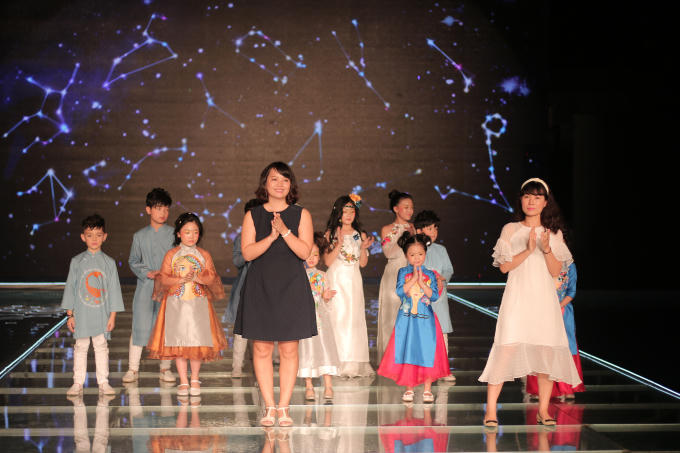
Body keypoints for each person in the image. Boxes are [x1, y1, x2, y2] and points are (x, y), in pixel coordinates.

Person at [479, 178, 581, 427]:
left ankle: (543, 410)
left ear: (546, 202)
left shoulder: (553, 233)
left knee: (545, 352)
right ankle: (490, 410)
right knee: (505, 349)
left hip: (544, 301)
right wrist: (527, 249)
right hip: (517, 298)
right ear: (521, 200)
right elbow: (504, 267)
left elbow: (556, 271)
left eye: (537, 197)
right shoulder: (511, 229)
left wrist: (546, 249)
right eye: (527, 196)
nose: (531, 202)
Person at [234, 161, 316, 427]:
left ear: (291, 185)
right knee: (261, 348)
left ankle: (284, 408)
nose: (280, 184)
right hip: (261, 286)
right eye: (274, 179)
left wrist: (285, 232)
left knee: (290, 349)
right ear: (265, 184)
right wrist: (270, 237)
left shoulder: (301, 214)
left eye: (285, 179)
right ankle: (269, 407)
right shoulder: (253, 215)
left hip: (292, 286)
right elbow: (247, 254)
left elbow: (304, 252)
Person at [147, 212, 228, 397]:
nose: (192, 236)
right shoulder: (171, 254)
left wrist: (198, 277)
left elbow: (212, 277)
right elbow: (163, 278)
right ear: (178, 234)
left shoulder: (204, 254)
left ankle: (195, 379)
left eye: (195, 232)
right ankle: (184, 381)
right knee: (179, 343)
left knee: (196, 343)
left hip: (198, 304)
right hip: (176, 304)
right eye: (187, 232)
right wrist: (180, 279)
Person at [377, 232, 449, 402]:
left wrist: (422, 282)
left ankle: (427, 389)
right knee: (408, 350)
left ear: (425, 254)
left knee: (427, 350)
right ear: (406, 255)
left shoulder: (430, 274)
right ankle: (409, 388)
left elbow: (434, 296)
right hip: (407, 319)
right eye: (412, 254)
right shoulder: (403, 271)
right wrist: (414, 278)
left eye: (420, 254)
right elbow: (400, 291)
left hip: (426, 320)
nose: (417, 258)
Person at [62, 214, 125, 396]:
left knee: (101, 346)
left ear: (105, 236)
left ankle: (103, 382)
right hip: (81, 314)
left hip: (101, 314)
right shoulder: (76, 261)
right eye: (90, 235)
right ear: (83, 237)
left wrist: (112, 316)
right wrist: (70, 314)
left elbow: (114, 290)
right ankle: (77, 383)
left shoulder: (109, 263)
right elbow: (71, 287)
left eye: (98, 235)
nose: (94, 239)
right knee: (81, 347)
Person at [123, 188, 176, 384]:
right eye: (158, 208)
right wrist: (147, 272)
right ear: (148, 210)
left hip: (167, 288)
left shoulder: (174, 234)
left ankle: (165, 368)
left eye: (166, 209)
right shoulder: (139, 236)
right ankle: (133, 369)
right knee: (140, 325)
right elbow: (133, 260)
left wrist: (167, 274)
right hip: (145, 287)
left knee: (166, 327)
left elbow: (178, 259)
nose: (163, 213)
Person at [324, 194, 375, 377]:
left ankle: (353, 363)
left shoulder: (359, 234)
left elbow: (362, 264)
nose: (348, 215)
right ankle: (336, 361)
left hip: (353, 280)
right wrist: (338, 244)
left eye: (351, 211)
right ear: (338, 213)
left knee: (354, 319)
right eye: (345, 211)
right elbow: (328, 261)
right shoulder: (330, 233)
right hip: (336, 278)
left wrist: (363, 249)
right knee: (338, 317)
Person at [526, 261, 585, 399]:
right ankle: (539, 389)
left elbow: (571, 291)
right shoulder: (540, 262)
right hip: (541, 311)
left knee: (565, 346)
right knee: (541, 348)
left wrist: (558, 306)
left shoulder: (569, 265)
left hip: (562, 311)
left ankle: (567, 387)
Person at [414, 210, 456, 382]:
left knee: (442, 333)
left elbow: (448, 269)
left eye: (435, 228)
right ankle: (421, 369)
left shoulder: (441, 249)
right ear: (419, 230)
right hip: (420, 297)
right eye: (429, 228)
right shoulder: (414, 249)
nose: (433, 232)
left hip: (439, 297)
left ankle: (443, 370)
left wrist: (441, 278)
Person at [224, 198, 264, 378]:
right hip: (245, 285)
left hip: (264, 285)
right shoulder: (241, 237)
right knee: (241, 328)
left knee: (265, 325)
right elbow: (237, 260)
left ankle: (267, 362)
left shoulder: (270, 236)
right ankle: (237, 366)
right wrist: (251, 251)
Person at [298, 233, 339, 400]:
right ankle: (309, 386)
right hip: (304, 319)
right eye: (308, 254)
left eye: (315, 255)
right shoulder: (298, 275)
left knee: (325, 348)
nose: (312, 258)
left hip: (320, 320)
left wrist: (326, 297)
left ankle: (328, 385)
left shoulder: (322, 275)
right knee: (306, 350)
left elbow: (326, 300)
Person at [377, 190, 414, 362]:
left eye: (411, 207)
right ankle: (391, 359)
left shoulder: (413, 228)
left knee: (410, 314)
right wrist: (403, 238)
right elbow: (388, 252)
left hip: (410, 274)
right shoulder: (387, 229)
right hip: (393, 274)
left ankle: (408, 356)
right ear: (396, 209)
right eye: (406, 207)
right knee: (392, 315)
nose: (410, 211)